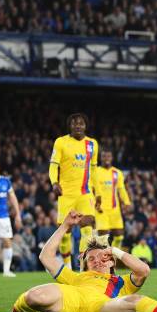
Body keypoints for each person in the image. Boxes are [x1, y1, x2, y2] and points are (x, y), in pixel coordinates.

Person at [0, 210, 157, 312]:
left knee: (135, 301)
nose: (96, 261)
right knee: (35, 295)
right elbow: (45, 256)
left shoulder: (121, 283)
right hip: (72, 299)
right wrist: (65, 225)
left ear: (111, 261)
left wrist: (114, 251)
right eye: (90, 258)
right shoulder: (76, 277)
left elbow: (143, 270)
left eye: (102, 257)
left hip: (101, 308)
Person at [49, 113, 101, 268]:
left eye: (81, 123)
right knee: (65, 234)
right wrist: (54, 183)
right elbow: (53, 165)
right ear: (70, 126)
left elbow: (94, 170)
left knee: (88, 227)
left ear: (86, 126)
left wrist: (97, 193)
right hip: (66, 195)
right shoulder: (61, 142)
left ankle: (82, 269)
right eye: (74, 123)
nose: (78, 126)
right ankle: (67, 266)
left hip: (85, 194)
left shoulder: (92, 144)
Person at [95, 148, 132, 250]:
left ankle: (112, 258)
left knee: (119, 236)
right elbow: (92, 190)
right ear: (100, 158)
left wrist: (127, 202)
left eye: (108, 156)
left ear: (112, 158)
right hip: (101, 210)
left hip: (115, 210)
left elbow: (121, 189)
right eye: (104, 156)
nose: (106, 158)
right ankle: (103, 261)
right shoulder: (96, 172)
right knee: (103, 238)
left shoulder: (117, 173)